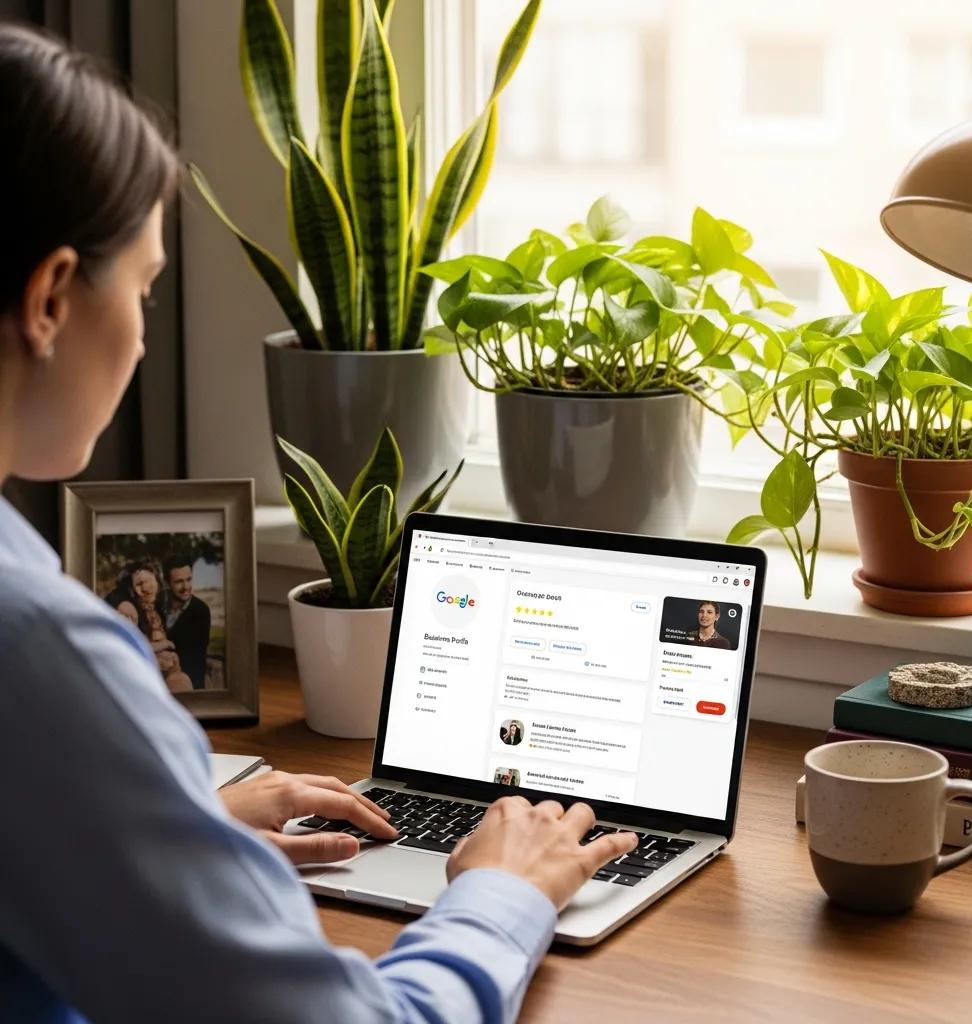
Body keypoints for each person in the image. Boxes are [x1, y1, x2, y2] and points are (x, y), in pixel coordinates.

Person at [0, 23, 637, 1023]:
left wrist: (168, 832)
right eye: (145, 290)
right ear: (48, 298)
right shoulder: (38, 646)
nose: (142, 339)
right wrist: (502, 894)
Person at [128, 560, 193, 693]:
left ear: (158, 582)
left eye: (149, 582)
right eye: (139, 584)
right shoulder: (131, 612)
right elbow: (131, 648)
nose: (145, 588)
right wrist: (163, 645)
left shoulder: (159, 609)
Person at [164, 556, 211, 690]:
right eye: (179, 582)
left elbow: (195, 658)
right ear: (167, 583)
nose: (186, 587)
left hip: (188, 684)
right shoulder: (157, 604)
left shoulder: (200, 610)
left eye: (189, 580)